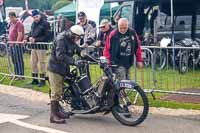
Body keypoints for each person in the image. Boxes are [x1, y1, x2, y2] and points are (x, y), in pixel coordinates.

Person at [47, 25, 84, 124]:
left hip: (63, 68)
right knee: (56, 92)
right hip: (55, 68)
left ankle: (58, 112)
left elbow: (78, 50)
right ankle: (53, 116)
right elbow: (60, 56)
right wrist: (74, 61)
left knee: (60, 91)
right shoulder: (61, 39)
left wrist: (88, 56)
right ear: (72, 34)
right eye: (77, 37)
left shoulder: (71, 40)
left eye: (79, 38)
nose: (77, 39)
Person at [27, 10, 50, 87]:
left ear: (39, 15)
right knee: (33, 63)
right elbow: (31, 33)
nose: (35, 18)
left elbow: (47, 36)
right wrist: (28, 38)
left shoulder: (45, 23)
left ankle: (42, 81)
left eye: (36, 16)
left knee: (42, 63)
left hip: (41, 47)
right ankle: (35, 80)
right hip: (34, 47)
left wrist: (36, 40)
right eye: (34, 17)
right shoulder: (33, 24)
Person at [8, 12, 25, 80]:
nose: (10, 19)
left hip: (17, 45)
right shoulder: (11, 24)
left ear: (14, 16)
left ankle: (21, 75)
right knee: (14, 60)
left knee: (19, 60)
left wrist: (17, 43)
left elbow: (20, 34)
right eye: (9, 18)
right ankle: (16, 74)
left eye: (11, 17)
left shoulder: (19, 23)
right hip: (11, 45)